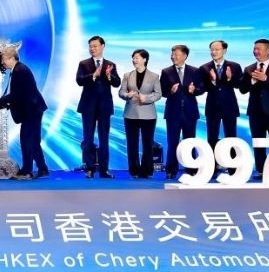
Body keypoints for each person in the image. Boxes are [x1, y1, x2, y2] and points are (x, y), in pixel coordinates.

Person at [0, 46, 50, 180]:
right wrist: (3, 104)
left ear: (12, 58)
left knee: (27, 140)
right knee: (32, 140)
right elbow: (18, 95)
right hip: (32, 109)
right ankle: (42, 169)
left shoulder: (19, 71)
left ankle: (27, 171)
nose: (3, 62)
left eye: (4, 59)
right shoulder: (18, 69)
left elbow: (15, 95)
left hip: (32, 110)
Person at [239, 38, 269, 179]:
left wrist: (266, 79)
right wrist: (252, 81)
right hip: (255, 112)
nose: (256, 51)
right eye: (254, 49)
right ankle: (261, 169)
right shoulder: (248, 69)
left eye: (259, 49)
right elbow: (242, 89)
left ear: (268, 51)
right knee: (258, 141)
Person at [75, 35, 121, 178]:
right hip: (88, 107)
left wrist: (109, 76)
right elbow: (79, 80)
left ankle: (104, 170)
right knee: (88, 138)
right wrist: (93, 75)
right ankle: (89, 168)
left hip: (104, 107)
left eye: (95, 46)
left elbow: (117, 83)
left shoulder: (110, 64)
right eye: (90, 46)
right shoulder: (83, 64)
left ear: (102, 47)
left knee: (104, 139)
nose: (92, 49)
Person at [160, 44, 204, 179]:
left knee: (189, 141)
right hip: (173, 112)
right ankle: (171, 169)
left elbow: (201, 88)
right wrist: (170, 91)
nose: (173, 57)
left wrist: (194, 90)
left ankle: (191, 168)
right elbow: (162, 91)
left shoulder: (195, 71)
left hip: (190, 112)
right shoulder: (166, 72)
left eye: (176, 54)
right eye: (172, 54)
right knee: (172, 141)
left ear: (184, 56)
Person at [199, 40, 243, 175]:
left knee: (231, 138)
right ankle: (212, 168)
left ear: (224, 50)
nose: (213, 52)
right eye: (212, 50)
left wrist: (230, 78)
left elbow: (240, 86)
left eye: (217, 49)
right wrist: (212, 81)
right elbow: (202, 88)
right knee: (212, 138)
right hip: (212, 107)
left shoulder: (234, 66)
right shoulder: (204, 68)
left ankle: (233, 168)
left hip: (229, 107)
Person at [118, 49, 162, 179]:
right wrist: (127, 95)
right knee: (132, 143)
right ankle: (134, 170)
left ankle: (147, 170)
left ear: (144, 59)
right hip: (130, 114)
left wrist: (146, 98)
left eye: (137, 58)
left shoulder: (154, 76)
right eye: (133, 58)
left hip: (148, 114)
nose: (134, 60)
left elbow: (158, 94)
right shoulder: (127, 75)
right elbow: (121, 92)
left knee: (147, 144)